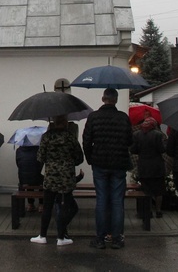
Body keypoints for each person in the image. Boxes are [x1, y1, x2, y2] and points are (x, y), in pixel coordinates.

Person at [82, 88, 133, 250]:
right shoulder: (123, 118)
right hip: (119, 164)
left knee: (102, 200)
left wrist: (91, 159)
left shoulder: (93, 117)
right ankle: (117, 238)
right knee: (117, 201)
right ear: (116, 100)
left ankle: (100, 238)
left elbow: (86, 141)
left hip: (100, 163)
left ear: (103, 98)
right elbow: (130, 141)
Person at [30, 114, 83, 247]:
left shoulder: (47, 137)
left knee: (47, 206)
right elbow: (79, 158)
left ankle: (42, 235)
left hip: (50, 177)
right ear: (65, 123)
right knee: (64, 206)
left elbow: (40, 158)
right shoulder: (70, 137)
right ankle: (61, 237)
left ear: (53, 122)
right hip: (66, 178)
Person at [130, 117, 166, 218]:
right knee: (159, 189)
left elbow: (133, 150)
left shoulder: (137, 134)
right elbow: (162, 150)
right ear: (153, 125)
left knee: (145, 189)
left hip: (143, 166)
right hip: (157, 166)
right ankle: (158, 210)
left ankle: (147, 211)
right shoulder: (158, 135)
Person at [16, 145, 44, 212]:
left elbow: (18, 163)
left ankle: (30, 204)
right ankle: (41, 205)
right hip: (37, 176)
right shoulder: (38, 149)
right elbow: (41, 162)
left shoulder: (19, 150)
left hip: (23, 178)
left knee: (28, 182)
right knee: (42, 181)